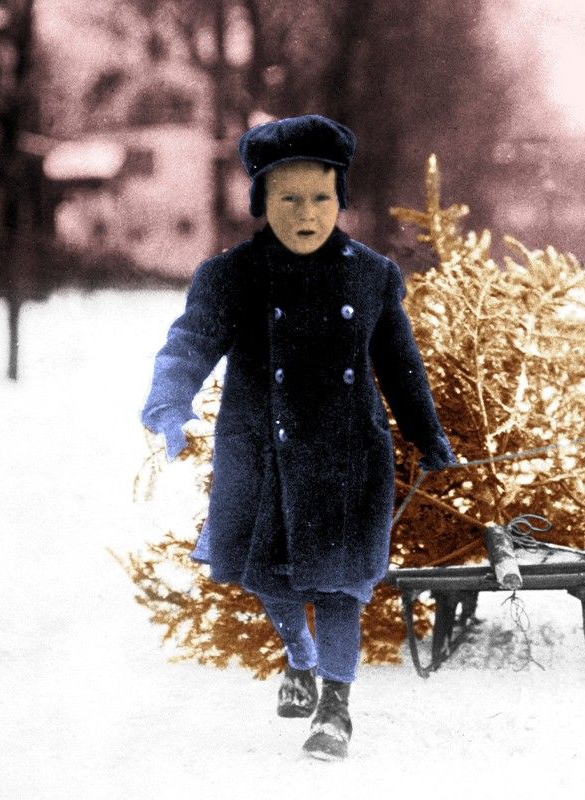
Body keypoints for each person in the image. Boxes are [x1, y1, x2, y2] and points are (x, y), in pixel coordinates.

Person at [141, 114, 456, 759]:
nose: (306, 213)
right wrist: (168, 406)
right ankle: (299, 657)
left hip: (348, 455)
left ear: (340, 199)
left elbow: (400, 366)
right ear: (262, 203)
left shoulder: (371, 276)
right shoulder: (232, 275)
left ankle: (335, 709)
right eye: (288, 199)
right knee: (269, 576)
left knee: (339, 584)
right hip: (262, 453)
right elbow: (189, 344)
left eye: (320, 197)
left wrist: (430, 438)